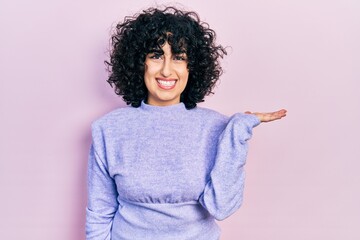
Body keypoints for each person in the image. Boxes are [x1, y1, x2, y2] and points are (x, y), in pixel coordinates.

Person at [86, 6, 287, 240]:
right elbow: (99, 213)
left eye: (179, 57)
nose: (167, 69)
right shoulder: (108, 129)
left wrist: (237, 131)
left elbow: (221, 207)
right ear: (139, 63)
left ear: (192, 67)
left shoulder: (217, 127)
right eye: (156, 55)